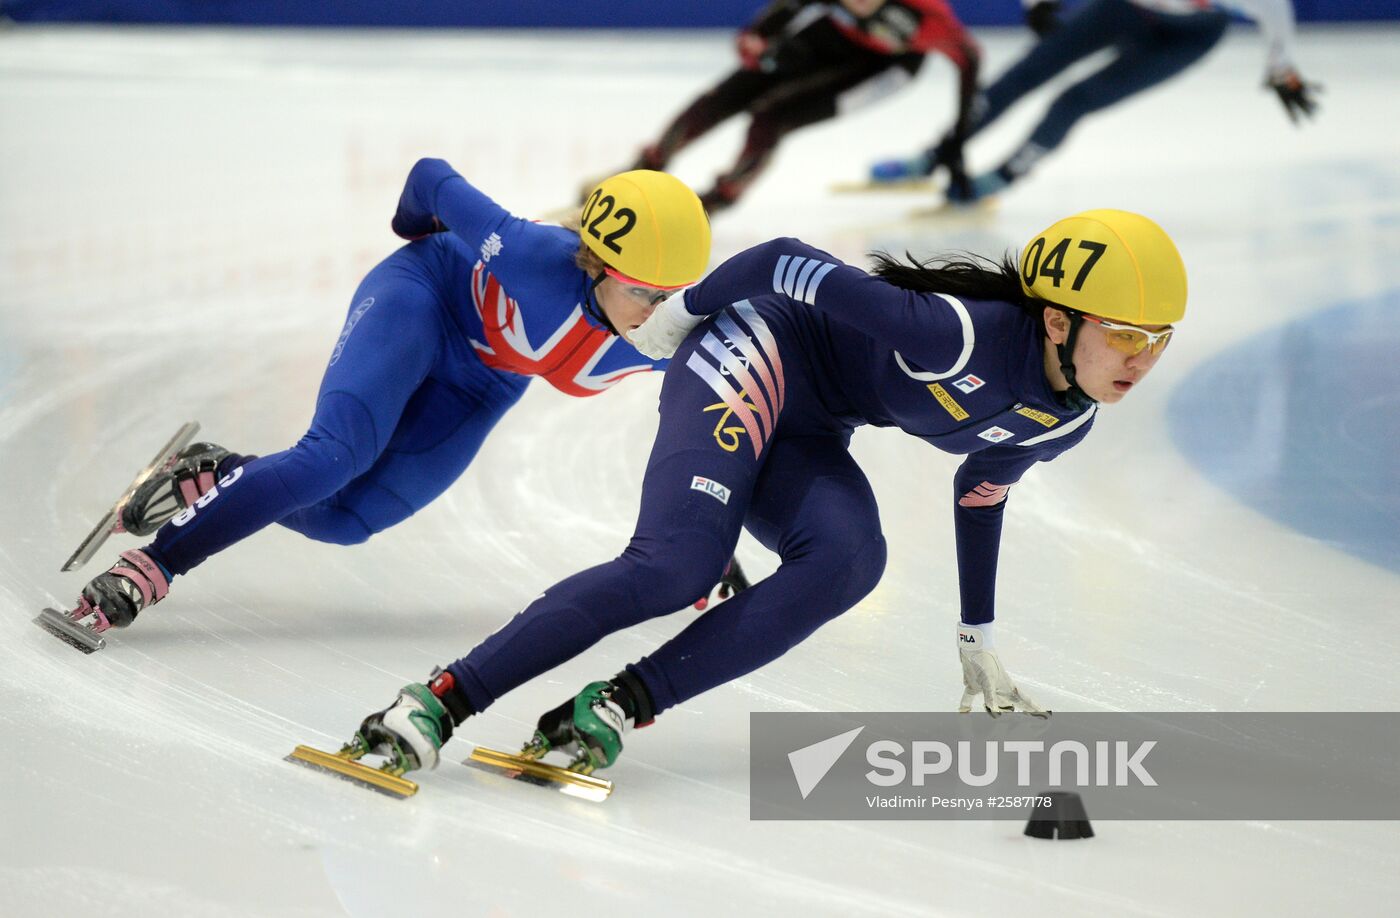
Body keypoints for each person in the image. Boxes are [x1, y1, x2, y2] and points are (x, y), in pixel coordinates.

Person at [340, 208, 1188, 780]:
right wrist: (682, 315)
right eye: (1124, 336)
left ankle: (614, 707)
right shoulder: (951, 336)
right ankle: (437, 703)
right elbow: (783, 260)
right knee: (680, 564)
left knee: (852, 562)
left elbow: (981, 490)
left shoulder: (1061, 420)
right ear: (1055, 320)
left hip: (814, 427)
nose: (1141, 361)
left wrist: (977, 634)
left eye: (1159, 341)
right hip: (755, 348)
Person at [60, 159, 736, 637]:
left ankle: (221, 472)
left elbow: (703, 433)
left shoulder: (662, 338)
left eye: (671, 294)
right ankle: (152, 564)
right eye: (644, 292)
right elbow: (429, 179)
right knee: (331, 459)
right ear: (598, 262)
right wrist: (414, 235)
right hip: (425, 297)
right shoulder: (531, 256)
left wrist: (709, 535)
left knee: (342, 520)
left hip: (487, 377)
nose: (658, 312)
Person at [870, 0, 1320, 203]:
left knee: (1075, 101)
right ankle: (934, 155)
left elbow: (1277, 14)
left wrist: (1283, 69)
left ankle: (1007, 174)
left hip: (1187, 37)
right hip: (1123, 9)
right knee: (1024, 75)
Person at [618, 0, 979, 215]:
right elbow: (778, 16)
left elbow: (970, 59)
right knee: (730, 93)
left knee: (774, 118)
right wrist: (756, 41)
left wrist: (958, 141)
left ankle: (720, 197)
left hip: (887, 65)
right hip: (836, 35)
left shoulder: (926, 19)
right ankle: (650, 163)